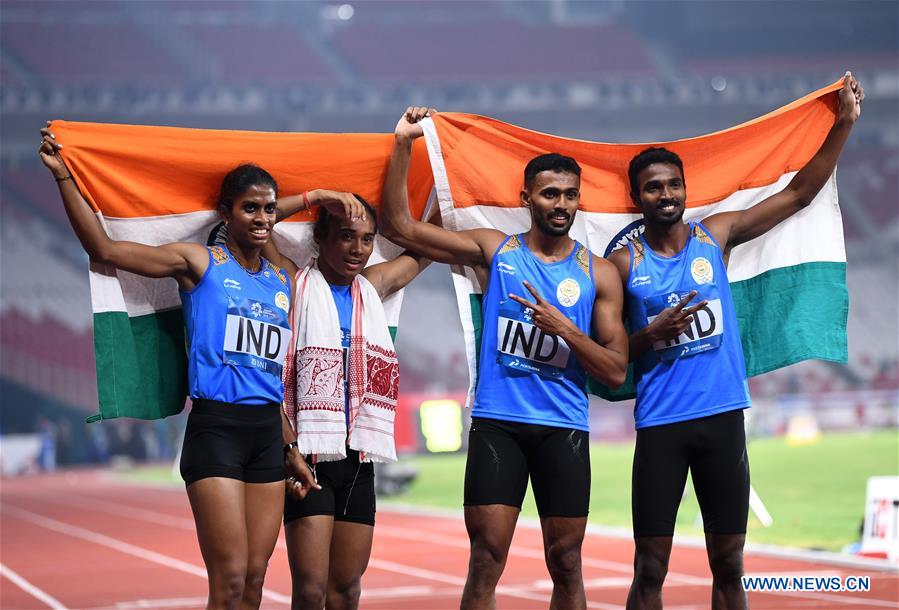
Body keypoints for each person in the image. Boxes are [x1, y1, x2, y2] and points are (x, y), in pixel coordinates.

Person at [38, 124, 356, 610]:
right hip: (216, 430)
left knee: (254, 581)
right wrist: (64, 177)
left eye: (270, 209)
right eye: (250, 208)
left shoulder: (283, 280)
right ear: (225, 212)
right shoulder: (200, 264)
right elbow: (105, 250)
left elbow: (267, 374)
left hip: (267, 436)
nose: (263, 218)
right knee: (229, 582)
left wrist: (289, 445)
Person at [606, 73, 863, 610]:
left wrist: (841, 124)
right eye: (653, 187)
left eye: (673, 184)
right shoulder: (623, 264)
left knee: (729, 565)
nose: (666, 194)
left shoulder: (715, 235)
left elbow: (798, 194)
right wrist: (649, 335)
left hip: (723, 418)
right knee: (650, 567)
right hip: (660, 425)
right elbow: (607, 357)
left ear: (685, 189)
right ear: (636, 197)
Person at [381, 107, 629, 610]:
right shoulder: (495, 252)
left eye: (570, 195)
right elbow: (400, 226)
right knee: (486, 559)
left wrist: (564, 330)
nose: (561, 204)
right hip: (500, 424)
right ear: (526, 198)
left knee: (567, 562)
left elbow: (615, 370)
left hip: (564, 428)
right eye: (550, 193)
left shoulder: (599, 274)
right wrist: (404, 143)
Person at [258, 192, 431, 610]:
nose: (358, 249)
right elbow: (264, 222)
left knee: (347, 590)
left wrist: (448, 188)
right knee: (310, 591)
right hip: (310, 455)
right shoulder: (293, 282)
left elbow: (425, 247)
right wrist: (317, 196)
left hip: (358, 457)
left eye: (368, 239)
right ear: (320, 238)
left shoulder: (371, 287)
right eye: (346, 236)